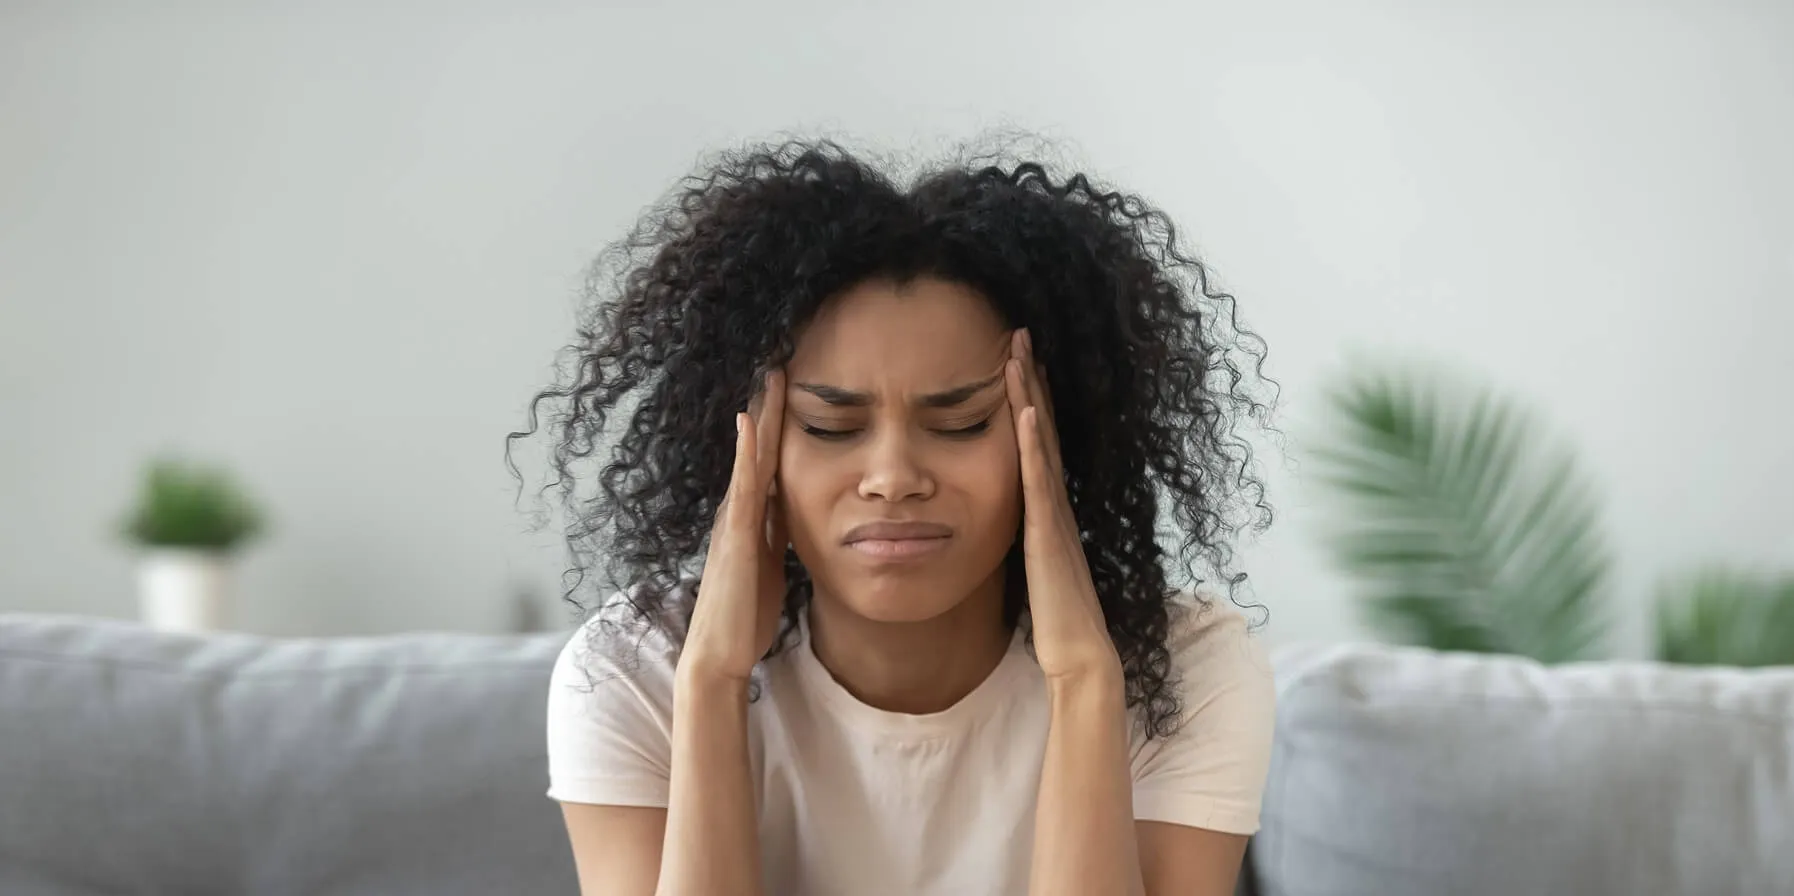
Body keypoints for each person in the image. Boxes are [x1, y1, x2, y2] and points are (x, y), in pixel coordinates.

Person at [512, 137, 1278, 896]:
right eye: (830, 427)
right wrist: (711, 684)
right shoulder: (635, 672)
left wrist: (1083, 682)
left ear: (1055, 434)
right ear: (749, 446)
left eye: (961, 424)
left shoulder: (1181, 668)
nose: (893, 479)